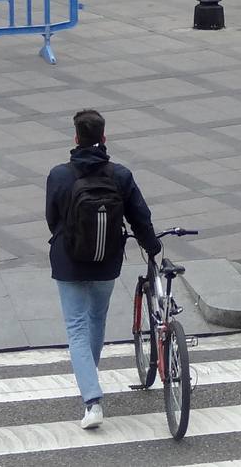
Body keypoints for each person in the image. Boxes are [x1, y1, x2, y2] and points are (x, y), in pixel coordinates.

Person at [46, 109, 161, 430]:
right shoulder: (120, 175)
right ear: (103, 138)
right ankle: (90, 380)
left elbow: (52, 218)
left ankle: (92, 401)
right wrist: (153, 247)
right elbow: (140, 217)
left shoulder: (59, 175)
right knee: (97, 320)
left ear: (76, 138)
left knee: (76, 328)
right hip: (107, 261)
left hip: (69, 262)